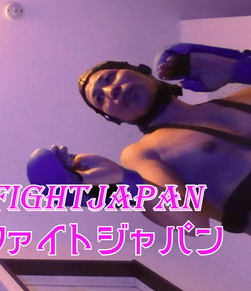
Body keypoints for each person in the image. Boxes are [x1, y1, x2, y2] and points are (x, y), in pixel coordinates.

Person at [76, 43, 251, 234]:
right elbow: (192, 224)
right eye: (100, 99)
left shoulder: (242, 97)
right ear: (114, 118)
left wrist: (235, 69)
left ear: (142, 71)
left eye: (109, 77)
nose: (111, 91)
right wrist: (125, 181)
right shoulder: (143, 152)